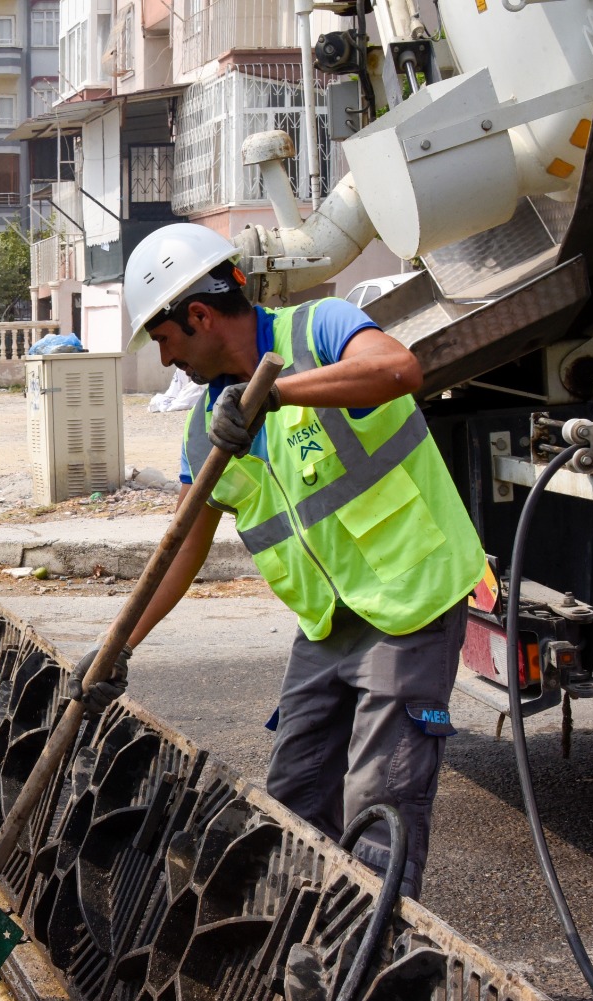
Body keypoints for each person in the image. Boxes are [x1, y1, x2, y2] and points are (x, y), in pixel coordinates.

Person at [75, 224, 483, 899]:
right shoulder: (207, 426)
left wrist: (277, 395)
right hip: (328, 628)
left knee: (379, 808)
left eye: (163, 338)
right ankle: (302, 955)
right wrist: (115, 648)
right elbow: (178, 552)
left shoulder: (319, 328)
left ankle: (367, 976)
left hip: (411, 607)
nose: (165, 357)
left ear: (199, 316)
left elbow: (399, 370)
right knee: (292, 801)